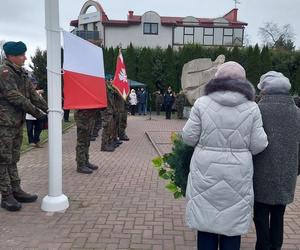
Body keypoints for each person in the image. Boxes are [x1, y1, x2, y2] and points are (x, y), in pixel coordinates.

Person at [182, 61, 268, 250]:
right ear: (243, 82)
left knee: (205, 225)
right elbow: (259, 144)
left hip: (206, 173)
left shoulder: (202, 103)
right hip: (238, 175)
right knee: (232, 226)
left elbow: (188, 137)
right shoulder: (252, 107)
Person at [253, 71, 300, 250]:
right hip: (286, 175)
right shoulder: (297, 112)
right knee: (279, 215)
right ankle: (275, 247)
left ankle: (263, 246)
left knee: (260, 215)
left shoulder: (258, 110)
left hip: (260, 173)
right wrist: (294, 169)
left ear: (265, 90)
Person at [0, 41, 48, 212]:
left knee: (13, 158)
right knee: (3, 160)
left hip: (15, 123)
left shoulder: (22, 73)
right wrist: (38, 113)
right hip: (4, 124)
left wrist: (49, 109)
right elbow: (15, 96)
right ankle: (6, 196)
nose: (25, 57)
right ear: (10, 56)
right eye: (21, 55)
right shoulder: (4, 72)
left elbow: (32, 94)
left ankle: (16, 190)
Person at [25, 79, 45, 148]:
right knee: (29, 129)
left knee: (39, 128)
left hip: (38, 114)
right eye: (33, 84)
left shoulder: (38, 93)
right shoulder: (27, 92)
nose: (34, 85)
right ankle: (31, 142)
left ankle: (36, 141)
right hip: (29, 115)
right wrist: (37, 92)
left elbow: (41, 102)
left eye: (35, 84)